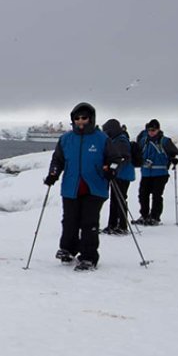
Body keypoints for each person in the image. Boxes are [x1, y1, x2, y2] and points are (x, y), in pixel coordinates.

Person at [43, 103, 124, 271]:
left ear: (91, 118)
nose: (80, 121)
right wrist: (53, 174)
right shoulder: (66, 139)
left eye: (84, 118)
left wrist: (111, 170)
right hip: (71, 187)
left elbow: (116, 159)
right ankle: (68, 249)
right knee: (69, 220)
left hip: (94, 187)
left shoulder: (101, 138)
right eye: (77, 118)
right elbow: (58, 160)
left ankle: (88, 257)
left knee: (89, 222)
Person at [133, 119, 178, 226]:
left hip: (160, 173)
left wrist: (175, 159)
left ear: (158, 130)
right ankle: (144, 215)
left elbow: (176, 153)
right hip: (146, 173)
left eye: (153, 130)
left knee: (157, 195)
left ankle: (155, 217)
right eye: (149, 130)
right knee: (143, 195)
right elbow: (138, 154)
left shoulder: (165, 141)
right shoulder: (143, 141)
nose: (151, 132)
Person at [101, 119, 135, 235]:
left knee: (120, 199)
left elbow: (122, 158)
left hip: (122, 175)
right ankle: (113, 224)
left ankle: (122, 226)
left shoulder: (120, 140)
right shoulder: (116, 140)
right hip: (118, 174)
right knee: (115, 200)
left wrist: (112, 167)